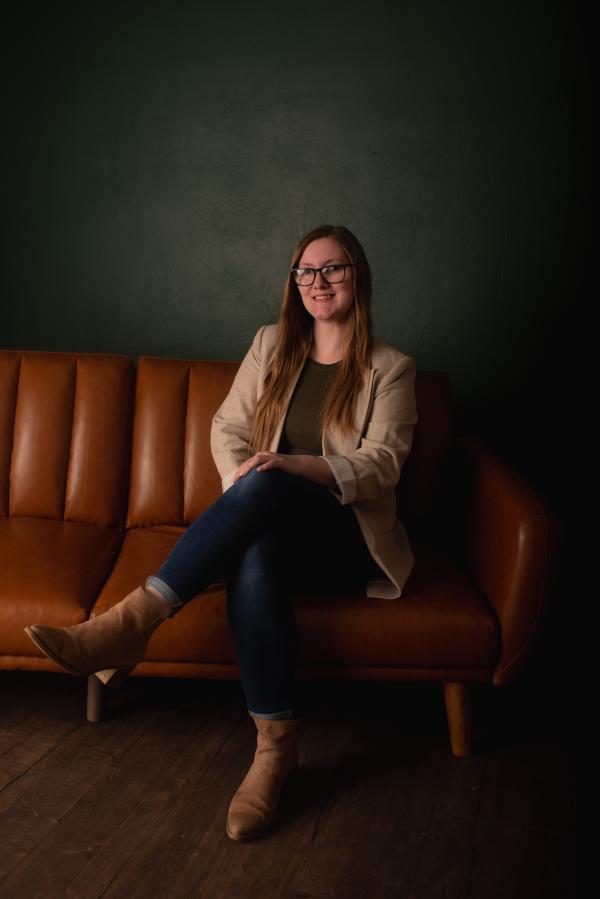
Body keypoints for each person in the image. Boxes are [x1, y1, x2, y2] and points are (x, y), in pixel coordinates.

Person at [24, 223, 418, 842]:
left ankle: (132, 625)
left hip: (341, 533)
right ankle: (275, 748)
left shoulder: (390, 368)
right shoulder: (271, 345)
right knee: (255, 544)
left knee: (264, 491)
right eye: (306, 271)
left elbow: (381, 465)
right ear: (293, 283)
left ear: (357, 275)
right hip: (267, 519)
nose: (318, 282)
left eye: (333, 269)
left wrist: (288, 467)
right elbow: (226, 427)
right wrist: (245, 482)